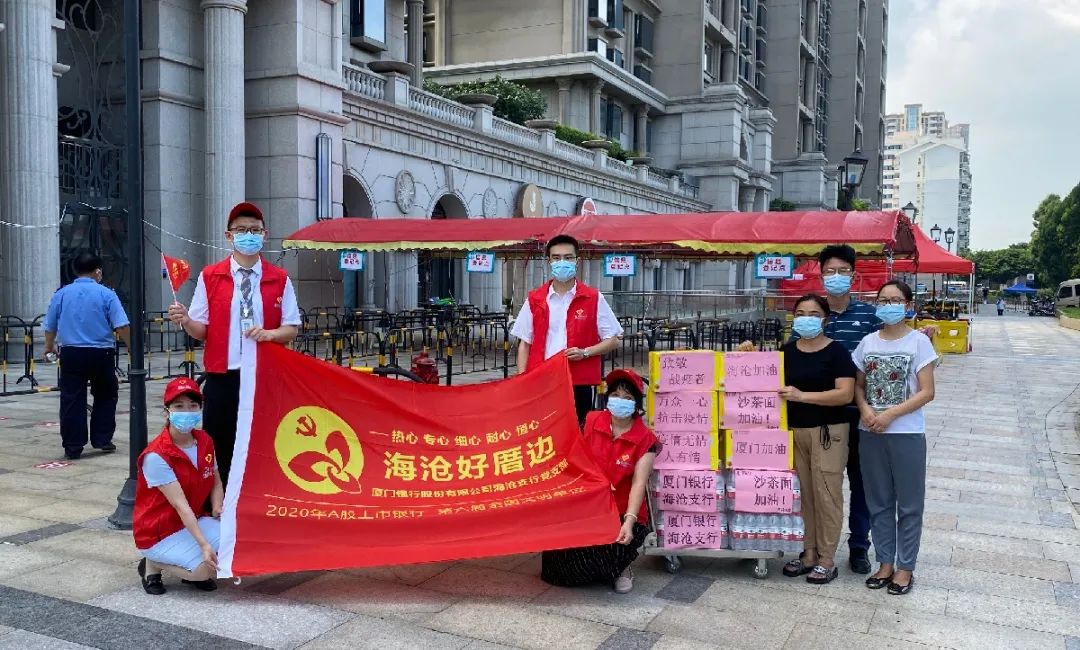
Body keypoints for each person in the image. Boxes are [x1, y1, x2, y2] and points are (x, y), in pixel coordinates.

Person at [167, 202, 301, 486]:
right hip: (223, 376)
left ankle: (259, 495)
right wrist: (186, 320)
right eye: (241, 230)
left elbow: (291, 327)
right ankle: (221, 499)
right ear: (229, 236)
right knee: (220, 442)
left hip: (265, 376)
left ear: (265, 234)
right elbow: (201, 330)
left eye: (254, 230)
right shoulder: (211, 276)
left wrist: (270, 334)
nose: (248, 235)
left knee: (264, 440)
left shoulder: (279, 279)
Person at [792, 244, 878, 574]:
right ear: (821, 275)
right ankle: (813, 548)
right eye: (830, 271)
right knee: (819, 486)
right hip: (818, 419)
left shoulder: (870, 316)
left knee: (861, 482)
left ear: (853, 276)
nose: (836, 277)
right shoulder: (811, 314)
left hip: (861, 414)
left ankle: (859, 545)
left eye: (843, 271)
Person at [853, 280, 937, 596]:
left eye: (895, 300)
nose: (888, 305)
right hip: (870, 433)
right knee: (878, 502)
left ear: (907, 305)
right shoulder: (867, 342)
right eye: (883, 300)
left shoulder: (919, 342)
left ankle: (905, 567)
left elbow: (927, 391)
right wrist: (865, 410)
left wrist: (889, 415)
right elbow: (859, 385)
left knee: (910, 504)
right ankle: (885, 562)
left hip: (906, 433)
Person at [540, 369, 657, 593]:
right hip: (587, 504)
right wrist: (595, 481)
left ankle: (621, 568)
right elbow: (574, 457)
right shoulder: (591, 420)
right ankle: (603, 567)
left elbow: (638, 484)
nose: (620, 401)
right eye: (615, 395)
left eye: (627, 398)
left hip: (621, 510)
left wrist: (629, 521)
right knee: (555, 570)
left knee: (614, 546)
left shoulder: (645, 439)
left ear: (636, 403)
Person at [779, 294, 858, 584]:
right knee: (805, 495)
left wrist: (802, 396)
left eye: (813, 314)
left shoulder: (837, 352)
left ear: (825, 319)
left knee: (827, 495)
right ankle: (808, 552)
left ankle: (827, 559)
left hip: (828, 432)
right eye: (800, 313)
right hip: (795, 431)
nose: (806, 319)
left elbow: (845, 394)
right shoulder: (786, 351)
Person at [511, 235, 623, 424]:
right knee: (543, 431)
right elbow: (525, 342)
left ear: (577, 261)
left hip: (578, 381)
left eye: (568, 257)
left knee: (577, 430)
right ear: (549, 261)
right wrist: (522, 379)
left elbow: (614, 339)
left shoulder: (592, 298)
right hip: (541, 380)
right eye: (556, 258)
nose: (562, 262)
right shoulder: (535, 299)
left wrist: (585, 352)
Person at [134, 376, 222, 595]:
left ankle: (186, 559)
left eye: (193, 406)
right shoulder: (157, 456)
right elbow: (181, 506)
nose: (187, 412)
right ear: (167, 411)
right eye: (179, 406)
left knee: (237, 543)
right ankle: (152, 563)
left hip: (193, 521)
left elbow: (216, 479)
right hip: (160, 532)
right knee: (204, 571)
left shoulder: (204, 440)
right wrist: (204, 545)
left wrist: (217, 507)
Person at [43, 251, 131, 459]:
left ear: (75, 271)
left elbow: (50, 325)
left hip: (71, 353)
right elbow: (121, 325)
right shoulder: (107, 294)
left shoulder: (61, 294)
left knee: (71, 398)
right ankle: (102, 439)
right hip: (102, 353)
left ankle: (73, 446)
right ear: (98, 272)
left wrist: (48, 346)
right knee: (106, 394)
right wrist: (132, 347)